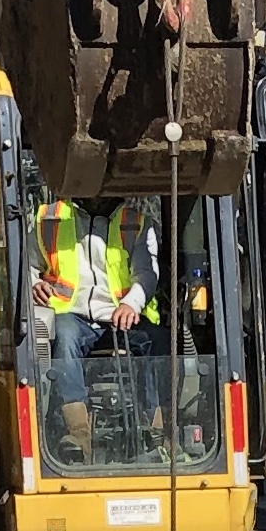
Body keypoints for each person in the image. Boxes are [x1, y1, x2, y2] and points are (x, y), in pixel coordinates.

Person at [33, 197, 164, 459]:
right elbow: (28, 264)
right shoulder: (49, 219)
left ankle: (157, 428)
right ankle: (78, 432)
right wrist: (35, 282)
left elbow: (146, 273)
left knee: (157, 341)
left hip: (121, 316)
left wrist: (130, 304)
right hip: (72, 314)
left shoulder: (135, 223)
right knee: (65, 336)